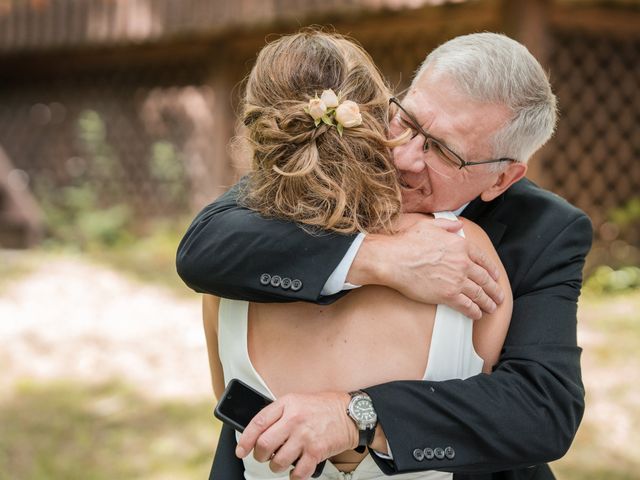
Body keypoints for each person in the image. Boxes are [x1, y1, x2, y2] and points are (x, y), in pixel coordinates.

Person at [177, 32, 593, 480]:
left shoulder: (545, 231)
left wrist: (357, 416)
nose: (405, 158)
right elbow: (204, 247)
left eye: (443, 150)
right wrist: (374, 258)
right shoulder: (333, 152)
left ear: (501, 178)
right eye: (407, 121)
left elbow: (542, 410)